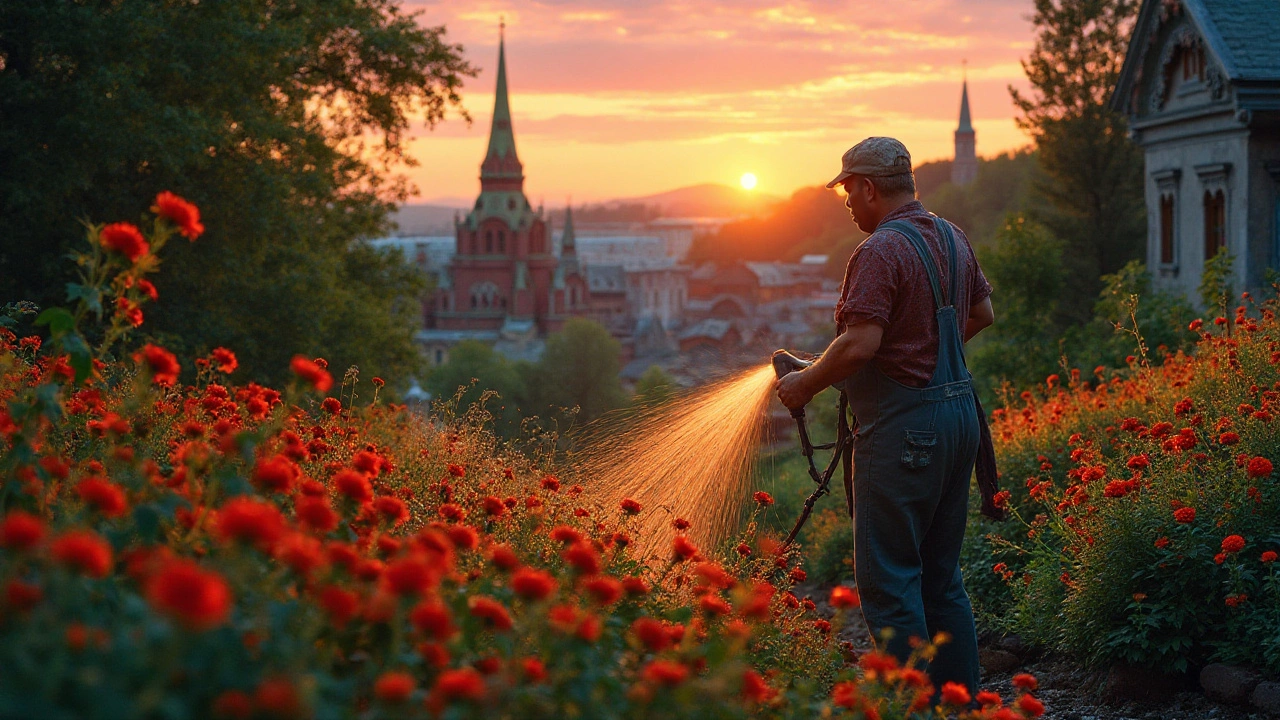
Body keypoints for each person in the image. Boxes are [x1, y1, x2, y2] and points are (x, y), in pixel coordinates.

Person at [774, 137, 995, 696]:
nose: (846, 202)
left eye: (847, 191)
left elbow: (859, 345)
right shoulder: (952, 236)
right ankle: (962, 708)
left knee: (891, 585)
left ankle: (910, 710)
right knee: (942, 583)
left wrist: (803, 384)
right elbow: (982, 312)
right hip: (960, 423)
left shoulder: (878, 252)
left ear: (869, 188)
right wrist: (918, 357)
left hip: (905, 439)